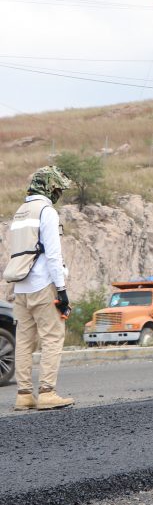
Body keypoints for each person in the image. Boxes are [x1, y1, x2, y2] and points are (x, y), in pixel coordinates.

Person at [5, 166, 74, 411]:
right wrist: (62, 290)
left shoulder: (20, 212)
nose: (58, 194)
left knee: (24, 340)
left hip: (21, 287)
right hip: (43, 284)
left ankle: (24, 395)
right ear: (49, 187)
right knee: (53, 337)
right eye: (57, 189)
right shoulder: (47, 211)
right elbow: (53, 255)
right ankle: (47, 392)